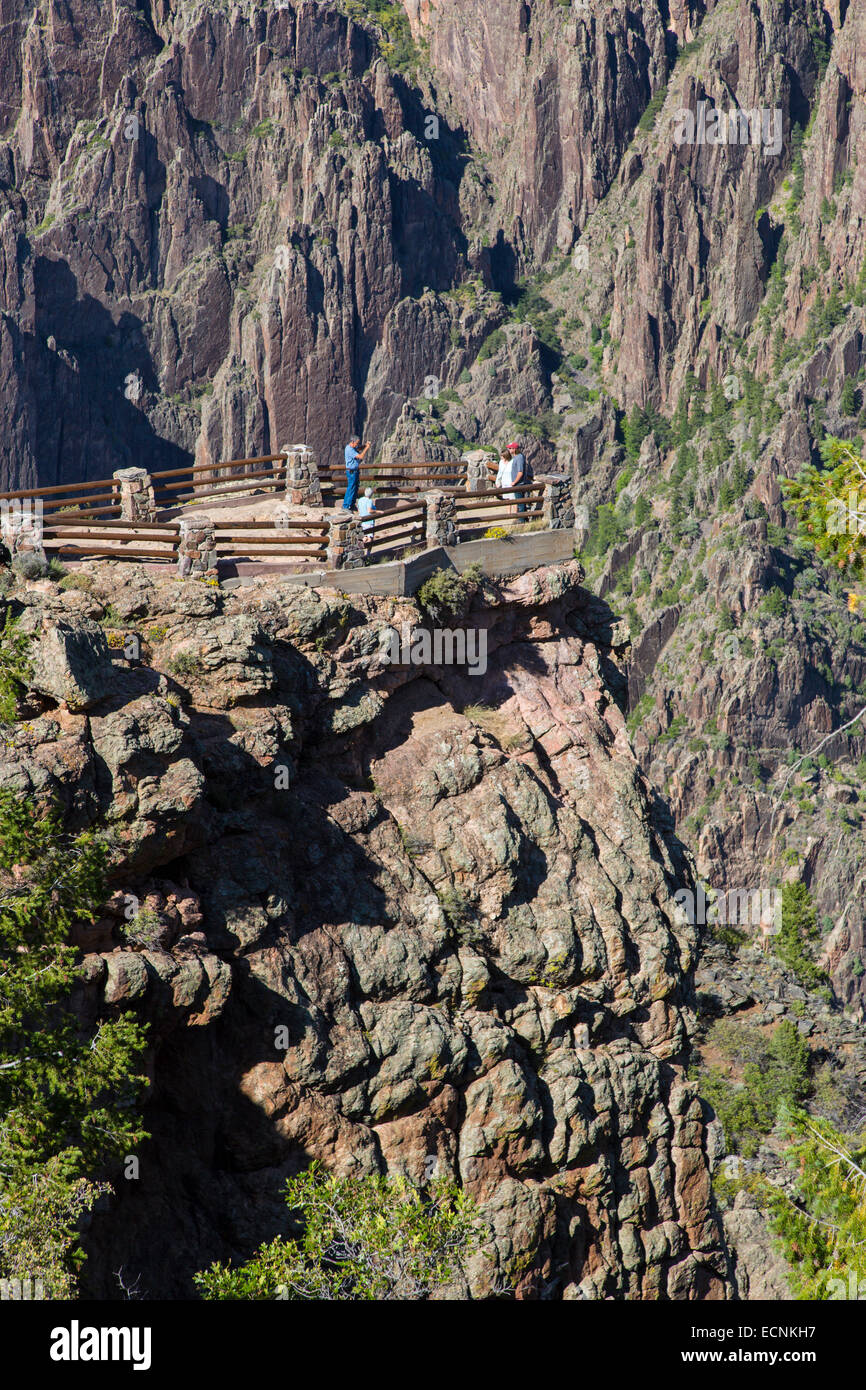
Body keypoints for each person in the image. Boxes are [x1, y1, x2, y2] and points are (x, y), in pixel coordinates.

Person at [342, 435, 370, 511]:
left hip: (354, 471)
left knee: (355, 488)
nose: (357, 445)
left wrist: (364, 445)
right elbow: (360, 456)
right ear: (353, 442)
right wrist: (366, 448)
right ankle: (346, 506)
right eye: (357, 443)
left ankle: (351, 505)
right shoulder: (349, 449)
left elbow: (358, 448)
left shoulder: (352, 448)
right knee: (351, 488)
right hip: (351, 472)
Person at [508, 441, 529, 514]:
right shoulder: (517, 457)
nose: (509, 450)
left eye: (510, 448)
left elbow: (520, 472)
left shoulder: (519, 457)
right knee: (520, 502)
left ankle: (522, 520)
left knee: (520, 503)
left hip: (519, 484)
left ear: (514, 449)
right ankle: (523, 519)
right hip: (518, 483)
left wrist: (514, 482)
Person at [356, 486, 377, 561]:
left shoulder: (360, 500)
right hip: (369, 521)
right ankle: (368, 555)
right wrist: (378, 511)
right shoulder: (369, 500)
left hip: (362, 521)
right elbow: (369, 510)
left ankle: (363, 554)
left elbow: (358, 510)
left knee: (364, 536)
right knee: (370, 538)